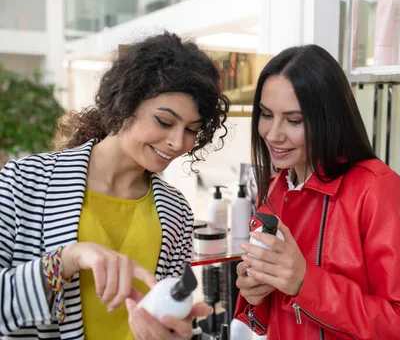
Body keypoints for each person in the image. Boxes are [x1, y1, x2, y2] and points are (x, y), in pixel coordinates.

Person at [0, 32, 229, 339]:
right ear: (125, 104)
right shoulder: (25, 181)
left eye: (191, 130)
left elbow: (163, 313)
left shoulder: (176, 212)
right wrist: (67, 260)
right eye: (164, 121)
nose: (177, 142)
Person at [233, 44, 400, 339]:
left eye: (294, 120)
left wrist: (305, 283)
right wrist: (254, 294)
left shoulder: (377, 190)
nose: (273, 134)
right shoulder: (274, 189)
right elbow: (267, 321)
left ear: (329, 118)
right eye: (265, 114)